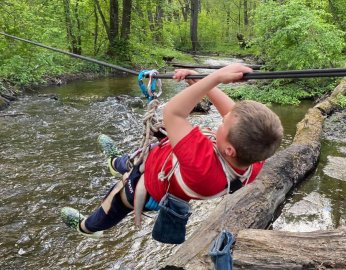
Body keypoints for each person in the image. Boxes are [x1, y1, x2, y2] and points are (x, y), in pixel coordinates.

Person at [61, 63, 284, 241]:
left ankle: (87, 228)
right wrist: (199, 80)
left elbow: (174, 113)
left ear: (229, 149)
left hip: (148, 184)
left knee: (114, 202)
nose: (224, 117)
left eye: (223, 123)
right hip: (160, 160)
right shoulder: (255, 156)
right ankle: (115, 163)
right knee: (138, 156)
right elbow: (234, 114)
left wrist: (214, 78)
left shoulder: (202, 163)